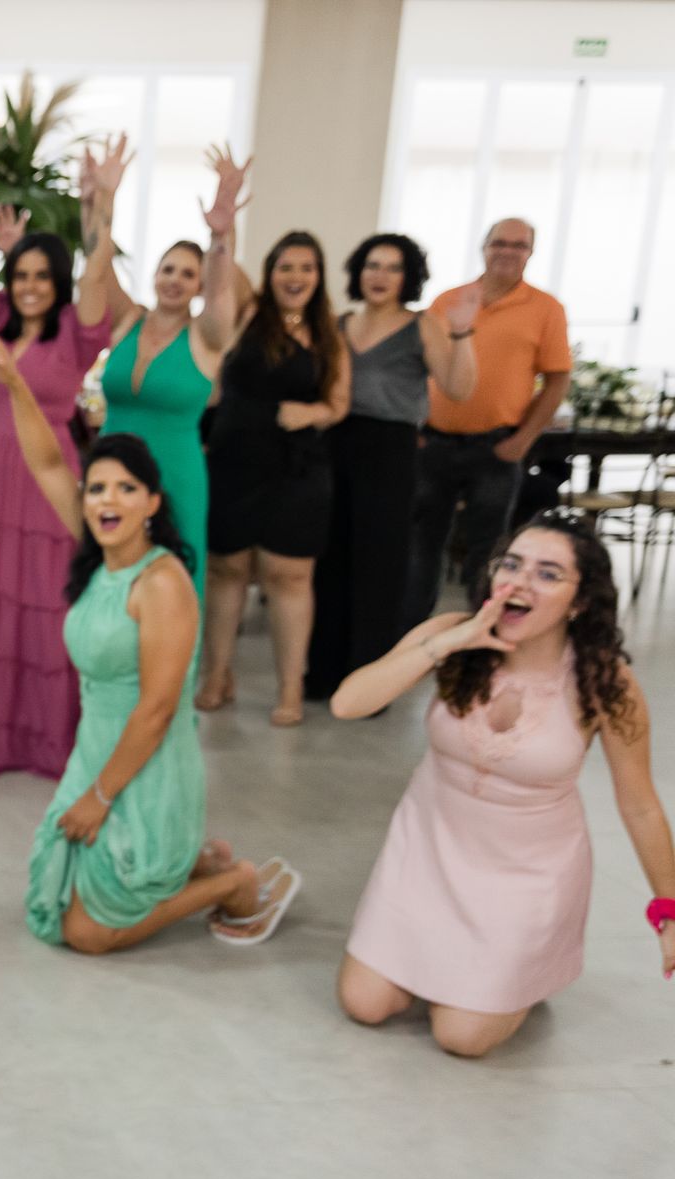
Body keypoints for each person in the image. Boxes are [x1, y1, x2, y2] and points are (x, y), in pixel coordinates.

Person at [0, 323, 296, 951]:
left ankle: (229, 882)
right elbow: (44, 458)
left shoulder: (163, 581)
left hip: (147, 764)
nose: (105, 500)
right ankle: (196, 860)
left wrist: (98, 796)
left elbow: (156, 710)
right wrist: (14, 382)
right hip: (97, 750)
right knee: (54, 902)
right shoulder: (101, 553)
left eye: (125, 489)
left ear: (152, 501)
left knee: (88, 932)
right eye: (96, 488)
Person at [332, 511, 675, 1057]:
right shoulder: (450, 636)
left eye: (547, 573)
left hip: (527, 878)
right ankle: (460, 969)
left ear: (580, 601)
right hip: (426, 856)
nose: (518, 582)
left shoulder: (603, 679)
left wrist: (669, 909)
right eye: (511, 564)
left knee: (461, 1038)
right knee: (365, 1004)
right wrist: (448, 644)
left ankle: (519, 970)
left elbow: (639, 805)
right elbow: (348, 704)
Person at [0, 127, 121, 779]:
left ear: (57, 280)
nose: (32, 284)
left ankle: (40, 737)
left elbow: (98, 266)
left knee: (43, 601)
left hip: (47, 479)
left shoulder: (78, 330)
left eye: (43, 274)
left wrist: (106, 203)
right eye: (23, 274)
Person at [304, 235, 479, 700]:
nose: (380, 276)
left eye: (392, 267)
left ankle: (367, 684)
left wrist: (462, 333)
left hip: (391, 450)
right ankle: (322, 675)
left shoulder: (422, 326)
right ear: (359, 272)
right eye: (372, 265)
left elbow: (459, 388)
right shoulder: (338, 324)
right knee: (329, 562)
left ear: (408, 277)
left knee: (378, 567)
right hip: (334, 445)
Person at [196, 230, 350, 726]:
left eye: (306, 268)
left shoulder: (329, 334)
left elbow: (339, 404)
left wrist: (311, 414)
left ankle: (289, 686)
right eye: (286, 267)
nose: (296, 277)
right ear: (270, 271)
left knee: (289, 576)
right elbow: (221, 269)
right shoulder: (248, 311)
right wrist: (222, 228)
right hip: (235, 458)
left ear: (319, 276)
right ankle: (217, 675)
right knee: (227, 570)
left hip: (297, 466)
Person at [404, 218, 571, 628]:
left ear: (530, 253)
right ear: (484, 247)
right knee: (421, 547)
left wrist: (525, 439)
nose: (508, 252)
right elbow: (415, 366)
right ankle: (410, 636)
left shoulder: (545, 308)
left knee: (489, 550)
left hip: (497, 446)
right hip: (434, 444)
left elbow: (558, 379)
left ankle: (482, 636)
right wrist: (413, 428)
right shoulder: (450, 300)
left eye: (519, 245)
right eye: (500, 243)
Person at [99, 147, 247, 602]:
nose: (175, 280)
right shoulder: (128, 319)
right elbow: (98, 264)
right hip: (110, 469)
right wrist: (104, 199)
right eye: (168, 269)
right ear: (155, 274)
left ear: (198, 284)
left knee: (170, 586)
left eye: (188, 273)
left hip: (174, 475)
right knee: (107, 578)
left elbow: (223, 289)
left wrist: (221, 238)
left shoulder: (206, 336)